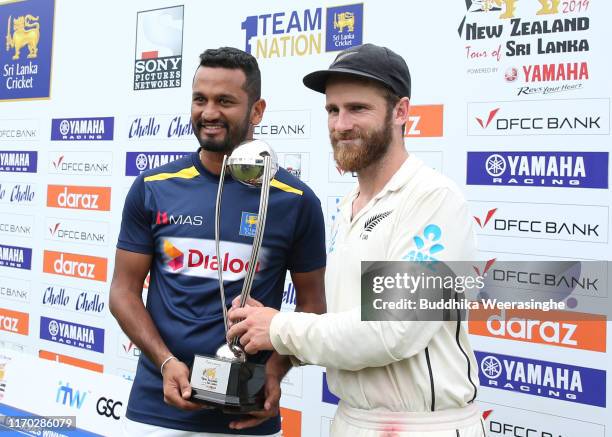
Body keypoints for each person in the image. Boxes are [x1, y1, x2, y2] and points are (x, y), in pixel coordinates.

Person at [228, 44, 485, 437]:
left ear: (401, 112)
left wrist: (280, 328)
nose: (340, 124)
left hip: (424, 427)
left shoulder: (433, 198)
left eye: (357, 109)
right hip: (351, 420)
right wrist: (273, 341)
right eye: (333, 110)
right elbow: (346, 321)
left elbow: (394, 330)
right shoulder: (350, 203)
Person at [109, 47, 326, 437]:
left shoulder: (295, 200)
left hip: (247, 413)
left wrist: (274, 372)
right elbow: (123, 292)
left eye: (225, 101)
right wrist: (164, 362)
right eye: (200, 99)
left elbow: (312, 306)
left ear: (257, 111)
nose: (208, 113)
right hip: (157, 408)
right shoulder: (153, 188)